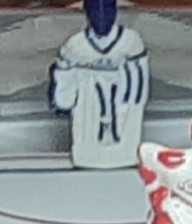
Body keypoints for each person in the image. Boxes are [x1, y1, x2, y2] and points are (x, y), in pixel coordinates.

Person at [50, 0, 151, 172]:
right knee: (88, 132)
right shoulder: (76, 44)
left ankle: (124, 155)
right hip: (88, 94)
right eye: (96, 11)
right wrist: (64, 100)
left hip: (120, 92)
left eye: (107, 9)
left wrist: (131, 101)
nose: (102, 16)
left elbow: (138, 74)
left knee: (124, 131)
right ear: (87, 13)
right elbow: (65, 73)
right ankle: (88, 157)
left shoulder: (129, 41)